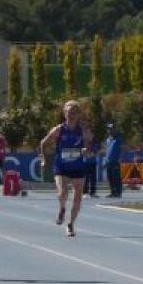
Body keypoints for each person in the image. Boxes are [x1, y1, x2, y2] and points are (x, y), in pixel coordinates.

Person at [40, 100, 92, 238]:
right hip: (61, 167)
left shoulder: (83, 131)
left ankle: (70, 224)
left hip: (78, 167)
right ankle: (62, 208)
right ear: (64, 114)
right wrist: (43, 159)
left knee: (78, 198)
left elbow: (88, 146)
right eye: (69, 113)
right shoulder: (58, 130)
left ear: (78, 114)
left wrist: (87, 150)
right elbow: (43, 143)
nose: (71, 115)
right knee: (62, 192)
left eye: (74, 113)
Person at [103, 123, 123, 198]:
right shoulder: (107, 140)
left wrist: (120, 158)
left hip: (115, 162)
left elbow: (122, 149)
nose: (110, 131)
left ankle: (118, 192)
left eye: (112, 129)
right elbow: (107, 151)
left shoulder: (118, 139)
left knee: (116, 177)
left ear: (114, 130)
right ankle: (112, 192)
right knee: (110, 178)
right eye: (109, 129)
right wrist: (105, 161)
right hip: (108, 162)